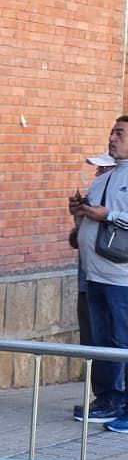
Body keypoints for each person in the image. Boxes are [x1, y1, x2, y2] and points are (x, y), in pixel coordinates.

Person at [71, 117, 128, 427]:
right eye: (112, 132)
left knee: (124, 340)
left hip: (122, 276)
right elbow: (93, 215)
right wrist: (80, 212)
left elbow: (116, 217)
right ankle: (108, 399)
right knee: (102, 340)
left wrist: (110, 214)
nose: (112, 138)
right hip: (95, 273)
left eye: (119, 133)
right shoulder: (105, 176)